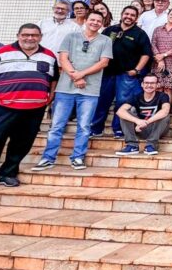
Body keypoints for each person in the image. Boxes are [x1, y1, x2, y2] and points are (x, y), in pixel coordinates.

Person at [0, 24, 57, 195]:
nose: (30, 38)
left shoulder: (49, 56)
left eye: (34, 35)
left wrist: (49, 97)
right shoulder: (1, 52)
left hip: (34, 109)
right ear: (18, 35)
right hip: (3, 108)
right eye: (25, 35)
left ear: (40, 37)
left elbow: (53, 79)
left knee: (22, 144)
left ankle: (8, 173)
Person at [33, 10, 113, 172]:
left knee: (84, 126)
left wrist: (81, 75)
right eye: (92, 19)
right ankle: (48, 158)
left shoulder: (105, 40)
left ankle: (77, 157)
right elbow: (63, 58)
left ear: (102, 23)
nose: (95, 23)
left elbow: (104, 62)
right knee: (57, 125)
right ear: (86, 21)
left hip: (90, 90)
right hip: (65, 89)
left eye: (99, 20)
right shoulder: (71, 37)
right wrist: (75, 76)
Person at [91, 6, 152, 139]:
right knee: (102, 101)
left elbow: (146, 54)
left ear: (136, 18)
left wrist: (136, 70)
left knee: (122, 103)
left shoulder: (140, 33)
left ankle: (118, 129)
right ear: (122, 14)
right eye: (127, 14)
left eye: (132, 15)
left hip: (126, 75)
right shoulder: (110, 30)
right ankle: (96, 128)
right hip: (107, 73)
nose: (129, 17)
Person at [115, 74, 172, 155]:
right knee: (124, 113)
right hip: (141, 129)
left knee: (165, 115)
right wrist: (137, 121)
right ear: (142, 84)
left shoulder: (163, 96)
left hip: (157, 129)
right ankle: (132, 145)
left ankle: (151, 145)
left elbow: (165, 111)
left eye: (152, 83)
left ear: (157, 85)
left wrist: (146, 122)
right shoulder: (136, 96)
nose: (149, 85)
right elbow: (120, 111)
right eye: (146, 83)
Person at [151, 7, 172, 112]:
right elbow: (153, 44)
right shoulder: (158, 29)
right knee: (158, 86)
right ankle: (156, 110)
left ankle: (165, 111)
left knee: (168, 88)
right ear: (168, 15)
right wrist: (159, 58)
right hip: (158, 62)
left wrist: (164, 55)